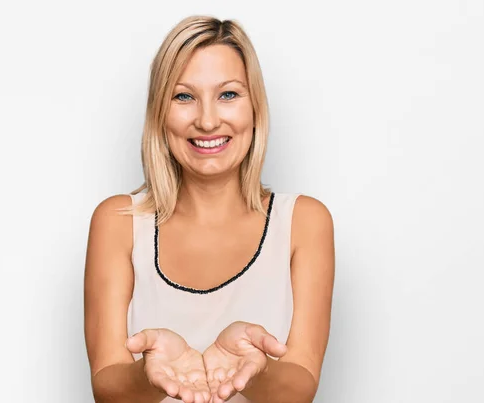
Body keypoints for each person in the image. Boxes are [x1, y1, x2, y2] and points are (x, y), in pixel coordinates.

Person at [84, 15, 335, 403]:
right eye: (183, 96)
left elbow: (300, 386)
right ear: (159, 113)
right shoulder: (118, 222)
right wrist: (146, 374)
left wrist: (255, 371)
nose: (207, 120)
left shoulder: (304, 222)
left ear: (255, 107)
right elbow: (107, 386)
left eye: (228, 95)